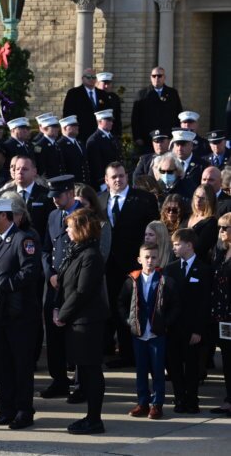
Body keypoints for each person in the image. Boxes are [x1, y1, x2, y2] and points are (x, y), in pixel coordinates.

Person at [0, 198, 40, 430]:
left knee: (21, 364)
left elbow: (31, 271)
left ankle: (24, 410)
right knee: (1, 363)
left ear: (4, 216)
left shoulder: (23, 239)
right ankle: (6, 408)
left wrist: (4, 284)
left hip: (20, 312)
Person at [98, 162, 159, 368]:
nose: (118, 180)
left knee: (135, 308)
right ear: (106, 180)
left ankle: (134, 354)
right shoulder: (100, 200)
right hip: (108, 266)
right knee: (114, 309)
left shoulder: (143, 199)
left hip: (134, 264)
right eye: (113, 177)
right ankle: (117, 351)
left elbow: (152, 234)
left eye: (121, 176)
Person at [55, 208, 109, 434]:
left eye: (70, 226)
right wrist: (57, 308)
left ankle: (95, 419)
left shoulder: (91, 255)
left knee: (91, 370)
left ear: (82, 229)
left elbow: (82, 291)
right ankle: (90, 416)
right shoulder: (77, 251)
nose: (66, 230)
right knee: (84, 371)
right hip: (75, 320)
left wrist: (62, 315)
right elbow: (63, 282)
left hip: (88, 322)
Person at [118, 243, 179, 420]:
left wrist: (165, 323)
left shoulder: (165, 280)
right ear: (139, 259)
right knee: (141, 369)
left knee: (158, 370)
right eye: (146, 257)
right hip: (138, 332)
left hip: (157, 333)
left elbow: (175, 306)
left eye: (153, 257)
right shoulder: (132, 280)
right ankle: (142, 402)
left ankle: (157, 404)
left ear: (158, 259)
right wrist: (129, 321)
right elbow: (121, 303)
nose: (150, 261)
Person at [39, 175, 81, 399]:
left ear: (71, 192)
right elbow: (46, 249)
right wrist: (50, 274)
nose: (55, 200)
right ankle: (59, 380)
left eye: (59, 195)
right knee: (54, 336)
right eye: (52, 196)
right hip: (55, 285)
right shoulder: (54, 215)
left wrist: (66, 277)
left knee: (76, 336)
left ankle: (81, 384)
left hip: (74, 284)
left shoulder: (85, 215)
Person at [163, 228, 211, 414]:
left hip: (192, 328)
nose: (174, 248)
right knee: (174, 365)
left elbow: (204, 303)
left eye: (177, 244)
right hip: (173, 327)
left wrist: (199, 330)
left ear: (189, 245)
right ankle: (180, 398)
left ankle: (192, 399)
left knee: (192, 366)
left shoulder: (204, 269)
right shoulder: (171, 268)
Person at [131, 66, 183, 155]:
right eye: (154, 76)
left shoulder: (172, 93)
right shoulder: (142, 94)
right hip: (147, 140)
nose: (156, 78)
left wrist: (176, 135)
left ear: (164, 77)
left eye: (159, 76)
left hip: (168, 139)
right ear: (150, 77)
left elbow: (178, 115)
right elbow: (135, 118)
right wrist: (137, 137)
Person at [210, 212, 231, 416]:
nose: (221, 231)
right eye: (219, 228)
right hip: (221, 314)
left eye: (225, 227)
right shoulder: (220, 252)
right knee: (226, 357)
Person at [62, 68, 109, 142]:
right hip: (81, 134)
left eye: (93, 77)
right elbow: (68, 113)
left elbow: (107, 113)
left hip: (100, 134)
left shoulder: (102, 94)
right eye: (88, 77)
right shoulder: (74, 93)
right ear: (83, 78)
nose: (91, 79)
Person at [180, 184, 218, 263]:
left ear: (210, 200)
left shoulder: (211, 223)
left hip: (196, 264)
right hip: (178, 261)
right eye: (196, 196)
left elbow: (201, 248)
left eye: (202, 198)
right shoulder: (186, 216)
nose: (198, 201)